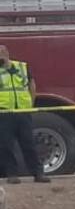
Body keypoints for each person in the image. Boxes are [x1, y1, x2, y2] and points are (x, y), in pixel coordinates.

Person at [0, 44, 49, 183]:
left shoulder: (21, 67)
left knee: (29, 144)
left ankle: (38, 173)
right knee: (5, 146)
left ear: (7, 53)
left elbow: (31, 84)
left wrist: (30, 103)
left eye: (2, 53)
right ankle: (12, 174)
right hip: (4, 112)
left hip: (22, 112)